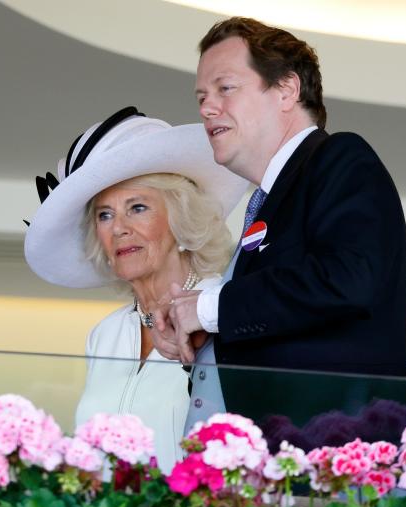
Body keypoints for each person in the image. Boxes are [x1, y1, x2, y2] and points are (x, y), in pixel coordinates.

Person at [159, 17, 406, 447]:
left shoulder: (340, 158)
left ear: (286, 90)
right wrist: (207, 335)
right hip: (269, 468)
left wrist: (210, 309)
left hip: (332, 464)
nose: (206, 108)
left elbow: (349, 278)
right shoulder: (264, 202)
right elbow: (280, 320)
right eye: (202, 96)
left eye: (225, 88)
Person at [24, 107, 247, 472]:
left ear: (180, 219)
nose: (119, 228)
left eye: (137, 208)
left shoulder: (223, 311)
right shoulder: (105, 335)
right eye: (105, 215)